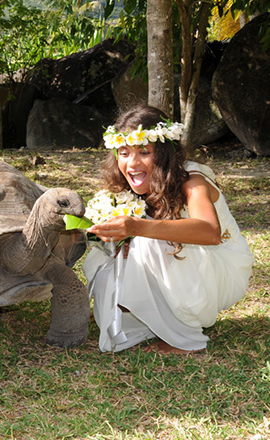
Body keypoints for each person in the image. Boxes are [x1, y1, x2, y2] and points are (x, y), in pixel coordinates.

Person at [82, 105, 254, 355]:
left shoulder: (192, 181)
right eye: (124, 153)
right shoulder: (126, 186)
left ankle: (185, 338)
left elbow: (210, 232)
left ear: (163, 153)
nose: (132, 163)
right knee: (108, 255)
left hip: (221, 268)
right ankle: (143, 316)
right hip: (184, 265)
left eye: (144, 152)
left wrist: (136, 227)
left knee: (149, 241)